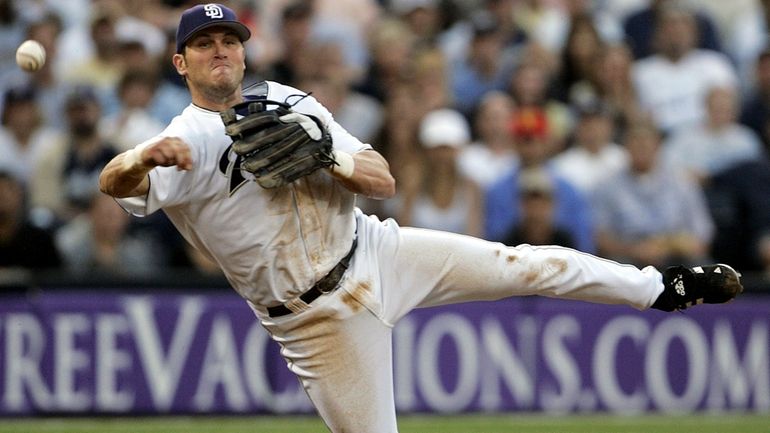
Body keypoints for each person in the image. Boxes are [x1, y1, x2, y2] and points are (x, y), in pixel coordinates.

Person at [98, 5, 744, 432]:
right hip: (316, 320)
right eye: (203, 45)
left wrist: (327, 156)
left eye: (228, 42)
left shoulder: (286, 99)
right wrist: (142, 155)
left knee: (528, 262)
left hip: (376, 248)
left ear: (243, 52)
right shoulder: (182, 139)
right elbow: (114, 183)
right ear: (180, 63)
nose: (220, 52)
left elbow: (383, 177)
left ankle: (663, 288)